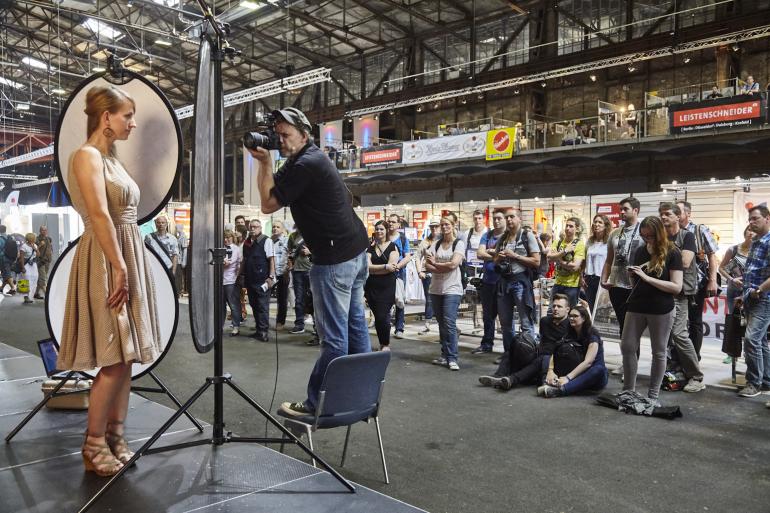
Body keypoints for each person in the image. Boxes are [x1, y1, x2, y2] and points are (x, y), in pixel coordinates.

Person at [56, 85, 161, 476]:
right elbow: (100, 215)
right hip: (107, 256)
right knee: (115, 357)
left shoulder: (109, 159)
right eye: (127, 116)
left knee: (126, 356)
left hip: (124, 252)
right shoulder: (86, 156)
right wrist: (120, 267)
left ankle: (116, 436)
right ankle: (93, 442)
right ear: (106, 117)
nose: (132, 123)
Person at [248, 107, 370, 417]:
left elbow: (267, 203)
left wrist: (263, 162)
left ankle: (320, 404)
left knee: (334, 338)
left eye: (286, 135)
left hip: (334, 261)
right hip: (354, 254)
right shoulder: (308, 158)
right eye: (277, 135)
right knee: (355, 329)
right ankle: (359, 396)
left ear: (305, 134)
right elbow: (274, 189)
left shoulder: (304, 165)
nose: (280, 140)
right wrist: (269, 163)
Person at [620, 216, 683, 403]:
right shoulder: (640, 250)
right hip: (637, 304)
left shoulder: (673, 252)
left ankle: (653, 395)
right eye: (644, 236)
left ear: (659, 234)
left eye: (651, 236)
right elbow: (635, 282)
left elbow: (676, 287)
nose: (648, 239)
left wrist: (647, 278)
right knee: (627, 346)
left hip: (661, 308)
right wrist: (632, 276)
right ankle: (628, 391)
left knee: (659, 351)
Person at [479, 294, 570, 390]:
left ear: (567, 309)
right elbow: (542, 340)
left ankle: (512, 379)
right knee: (517, 343)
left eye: (559, 306)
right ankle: (498, 376)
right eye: (554, 306)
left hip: (552, 361)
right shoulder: (545, 321)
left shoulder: (570, 326)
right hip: (538, 355)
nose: (555, 309)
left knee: (544, 358)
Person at [659, 203, 705, 392]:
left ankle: (697, 376)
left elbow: (685, 262)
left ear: (678, 216)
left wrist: (662, 257)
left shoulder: (687, 236)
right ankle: (675, 368)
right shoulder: (661, 238)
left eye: (668, 214)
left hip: (680, 292)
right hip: (662, 290)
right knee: (666, 335)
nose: (663, 217)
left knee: (679, 334)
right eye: (661, 214)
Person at [494, 209, 540, 352]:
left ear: (519, 219)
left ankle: (528, 355)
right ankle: (509, 354)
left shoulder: (527, 236)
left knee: (526, 322)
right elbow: (495, 260)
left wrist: (515, 256)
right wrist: (499, 258)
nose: (509, 220)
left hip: (520, 281)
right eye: (507, 217)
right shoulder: (503, 238)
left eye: (512, 217)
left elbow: (537, 261)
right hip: (504, 282)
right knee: (505, 323)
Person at [677, 200, 719, 359]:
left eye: (678, 211)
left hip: (696, 284)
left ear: (688, 214)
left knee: (695, 321)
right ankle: (678, 357)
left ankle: (694, 358)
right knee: (676, 323)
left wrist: (712, 280)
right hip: (675, 284)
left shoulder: (699, 230)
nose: (674, 214)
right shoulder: (671, 232)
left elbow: (712, 255)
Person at [539, 304, 608, 398]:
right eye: (570, 316)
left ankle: (560, 391)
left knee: (599, 369)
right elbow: (555, 350)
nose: (571, 318)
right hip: (578, 373)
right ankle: (551, 382)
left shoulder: (592, 334)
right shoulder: (570, 332)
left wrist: (568, 378)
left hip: (595, 375)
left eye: (575, 316)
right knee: (545, 358)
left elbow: (588, 362)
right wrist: (550, 371)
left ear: (583, 318)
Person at [736, 206, 770, 399]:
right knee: (761, 341)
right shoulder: (756, 240)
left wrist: (759, 290)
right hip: (752, 297)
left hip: (763, 299)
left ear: (767, 218)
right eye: (750, 219)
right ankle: (765, 381)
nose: (751, 222)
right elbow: (751, 270)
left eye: (755, 218)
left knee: (752, 340)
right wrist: (745, 294)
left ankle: (753, 383)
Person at [425, 216, 466, 370]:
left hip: (453, 288)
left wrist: (435, 263)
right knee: (442, 323)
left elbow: (454, 264)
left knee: (449, 323)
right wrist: (441, 265)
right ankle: (444, 355)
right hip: (436, 288)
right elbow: (426, 265)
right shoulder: (436, 244)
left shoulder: (458, 244)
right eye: (442, 225)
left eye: (447, 224)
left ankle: (452, 357)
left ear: (453, 225)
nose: (444, 227)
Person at [601, 197, 644, 337]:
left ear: (635, 210)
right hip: (616, 285)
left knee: (633, 326)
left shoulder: (644, 232)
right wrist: (604, 278)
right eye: (621, 209)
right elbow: (609, 259)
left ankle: (633, 355)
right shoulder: (614, 233)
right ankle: (628, 357)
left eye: (625, 209)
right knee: (622, 324)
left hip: (636, 286)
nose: (622, 212)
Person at [472, 209, 505, 354]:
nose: (496, 221)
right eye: (494, 218)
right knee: (488, 315)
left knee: (505, 317)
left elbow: (507, 256)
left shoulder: (508, 236)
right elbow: (479, 254)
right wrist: (496, 256)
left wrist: (491, 252)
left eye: (499, 218)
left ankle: (508, 350)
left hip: (504, 282)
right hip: (488, 281)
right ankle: (487, 344)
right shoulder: (488, 235)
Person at [719, 226, 753, 365]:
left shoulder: (759, 251)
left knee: (750, 324)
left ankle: (748, 352)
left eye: (755, 231)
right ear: (745, 232)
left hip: (751, 292)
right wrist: (732, 279)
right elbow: (721, 268)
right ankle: (732, 354)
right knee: (734, 322)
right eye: (749, 230)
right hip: (734, 292)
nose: (752, 233)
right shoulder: (733, 250)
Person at [365, 220, 399, 351]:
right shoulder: (370, 248)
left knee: (382, 316)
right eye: (377, 229)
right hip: (371, 286)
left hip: (387, 286)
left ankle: (385, 343)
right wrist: (385, 266)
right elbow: (367, 267)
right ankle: (382, 342)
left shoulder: (393, 247)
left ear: (386, 231)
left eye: (382, 229)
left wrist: (377, 268)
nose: (379, 231)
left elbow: (392, 268)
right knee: (377, 316)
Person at [241, 219, 275, 341]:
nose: (253, 229)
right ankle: (258, 330)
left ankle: (264, 331)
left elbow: (271, 259)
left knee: (262, 306)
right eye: (251, 227)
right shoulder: (247, 243)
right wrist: (241, 275)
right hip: (250, 280)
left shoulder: (266, 240)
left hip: (262, 280)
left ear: (260, 228)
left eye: (255, 227)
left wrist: (271, 277)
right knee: (254, 305)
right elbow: (244, 260)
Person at [548, 217, 585, 306]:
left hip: (571, 285)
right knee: (553, 311)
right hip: (557, 283)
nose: (567, 228)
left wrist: (558, 259)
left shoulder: (579, 244)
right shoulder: (558, 242)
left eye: (571, 226)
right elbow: (549, 257)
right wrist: (564, 251)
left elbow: (575, 266)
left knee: (570, 311)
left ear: (577, 229)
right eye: (567, 226)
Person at [387, 213, 411, 339]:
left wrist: (398, 265)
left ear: (398, 224)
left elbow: (407, 256)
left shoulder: (402, 238)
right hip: (384, 274)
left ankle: (399, 328)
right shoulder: (383, 237)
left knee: (399, 301)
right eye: (389, 221)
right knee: (385, 300)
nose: (390, 224)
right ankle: (385, 326)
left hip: (399, 274)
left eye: (393, 222)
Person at [415, 218, 440, 333]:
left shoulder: (444, 241)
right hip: (428, 273)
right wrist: (419, 271)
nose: (434, 229)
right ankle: (428, 322)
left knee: (441, 298)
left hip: (441, 272)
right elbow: (417, 257)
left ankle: (441, 322)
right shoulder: (425, 242)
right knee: (429, 298)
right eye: (432, 227)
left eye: (436, 226)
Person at [287, 227, 312, 334]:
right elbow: (289, 252)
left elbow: (322, 250)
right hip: (297, 271)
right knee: (299, 299)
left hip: (311, 269)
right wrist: (290, 265)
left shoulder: (313, 233)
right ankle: (299, 324)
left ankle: (317, 327)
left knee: (313, 299)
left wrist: (310, 252)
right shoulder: (293, 236)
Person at [583, 214, 610, 312]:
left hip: (602, 279)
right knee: (591, 307)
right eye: (595, 222)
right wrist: (581, 277)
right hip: (589, 279)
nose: (596, 224)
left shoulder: (609, 241)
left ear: (606, 225)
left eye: (600, 222)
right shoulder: (590, 241)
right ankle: (593, 328)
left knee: (602, 310)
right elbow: (584, 260)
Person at [222, 230, 242, 336]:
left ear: (232, 237)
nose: (226, 239)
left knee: (233, 305)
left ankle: (236, 326)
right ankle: (219, 327)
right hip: (220, 281)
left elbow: (229, 263)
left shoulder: (236, 249)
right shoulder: (220, 248)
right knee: (220, 306)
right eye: (224, 237)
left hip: (231, 281)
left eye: (228, 237)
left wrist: (222, 261)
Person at [271, 220, 290, 331]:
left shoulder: (287, 241)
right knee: (264, 297)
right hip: (271, 273)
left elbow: (289, 256)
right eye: (273, 226)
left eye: (278, 227)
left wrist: (287, 270)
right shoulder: (269, 240)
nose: (275, 228)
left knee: (282, 299)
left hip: (283, 273)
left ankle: (280, 322)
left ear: (282, 229)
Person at [17, 233, 39, 304]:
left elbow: (39, 255)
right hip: (26, 265)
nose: (35, 239)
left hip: (33, 265)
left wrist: (35, 249)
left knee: (34, 279)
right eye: (34, 238)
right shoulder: (23, 246)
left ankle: (30, 296)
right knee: (25, 280)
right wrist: (23, 267)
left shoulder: (35, 245)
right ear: (31, 238)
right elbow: (21, 258)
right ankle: (25, 297)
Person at [34, 225, 53, 299]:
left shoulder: (49, 239)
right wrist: (39, 245)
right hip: (40, 261)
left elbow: (50, 249)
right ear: (40, 231)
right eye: (42, 230)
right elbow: (34, 249)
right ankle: (47, 296)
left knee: (41, 278)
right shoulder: (37, 239)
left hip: (47, 261)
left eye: (45, 230)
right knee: (43, 278)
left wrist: (50, 257)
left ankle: (36, 293)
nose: (44, 231)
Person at [0, 224, 17, 295]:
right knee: (5, 273)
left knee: (7, 273)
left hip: (3, 258)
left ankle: (13, 288)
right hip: (11, 258)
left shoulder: (0, 238)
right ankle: (1, 288)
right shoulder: (10, 237)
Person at [174, 223, 188, 297]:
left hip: (180, 260)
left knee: (179, 276)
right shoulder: (179, 237)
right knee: (178, 276)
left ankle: (180, 290)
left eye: (177, 227)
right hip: (178, 260)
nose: (176, 229)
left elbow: (185, 249)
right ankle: (178, 290)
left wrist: (184, 261)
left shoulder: (183, 237)